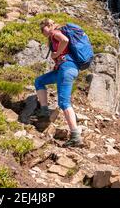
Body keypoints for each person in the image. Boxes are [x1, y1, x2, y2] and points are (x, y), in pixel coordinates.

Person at [34, 18, 82, 147]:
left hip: (67, 69)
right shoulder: (54, 34)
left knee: (64, 103)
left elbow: (65, 41)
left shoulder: (55, 32)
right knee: (39, 81)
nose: (44, 33)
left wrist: (56, 54)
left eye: (44, 29)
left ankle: (75, 136)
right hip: (65, 69)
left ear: (49, 26)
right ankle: (44, 111)